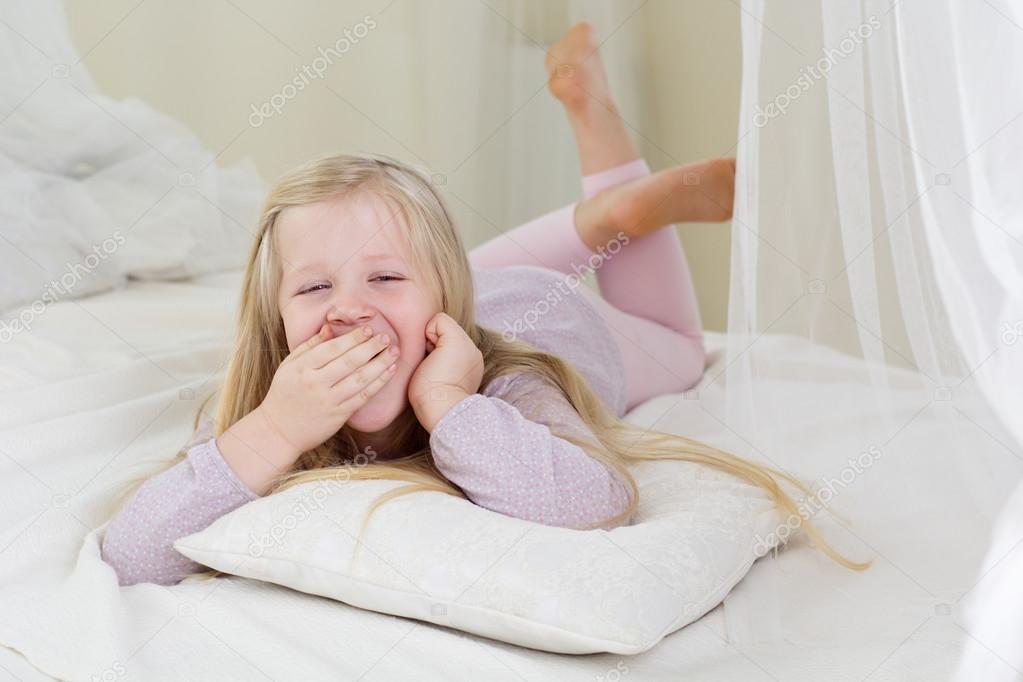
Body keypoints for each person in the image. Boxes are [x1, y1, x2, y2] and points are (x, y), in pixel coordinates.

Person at [101, 22, 865, 586]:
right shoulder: (273, 398)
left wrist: (447, 403)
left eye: (381, 281)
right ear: (274, 322)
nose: (347, 311)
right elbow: (132, 553)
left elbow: (591, 502)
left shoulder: (511, 383)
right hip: (469, 281)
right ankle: (599, 217)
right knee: (409, 264)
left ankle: (608, 188)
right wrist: (273, 429)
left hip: (543, 313)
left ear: (441, 308)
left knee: (680, 345)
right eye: (311, 288)